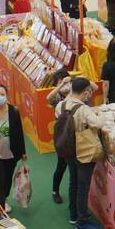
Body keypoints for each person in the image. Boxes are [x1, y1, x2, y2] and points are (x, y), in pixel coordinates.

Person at [59, 77, 104, 229]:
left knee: (73, 181)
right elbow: (98, 124)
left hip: (67, 148)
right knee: (83, 185)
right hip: (83, 149)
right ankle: (82, 221)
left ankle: (73, 214)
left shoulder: (61, 104)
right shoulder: (83, 109)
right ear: (85, 92)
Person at [44, 68, 72, 204]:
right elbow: (48, 98)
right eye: (59, 82)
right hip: (62, 136)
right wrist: (61, 85)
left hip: (75, 135)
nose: (64, 83)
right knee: (61, 165)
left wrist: (74, 81)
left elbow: (93, 87)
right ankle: (55, 191)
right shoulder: (58, 97)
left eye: (65, 80)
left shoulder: (74, 92)